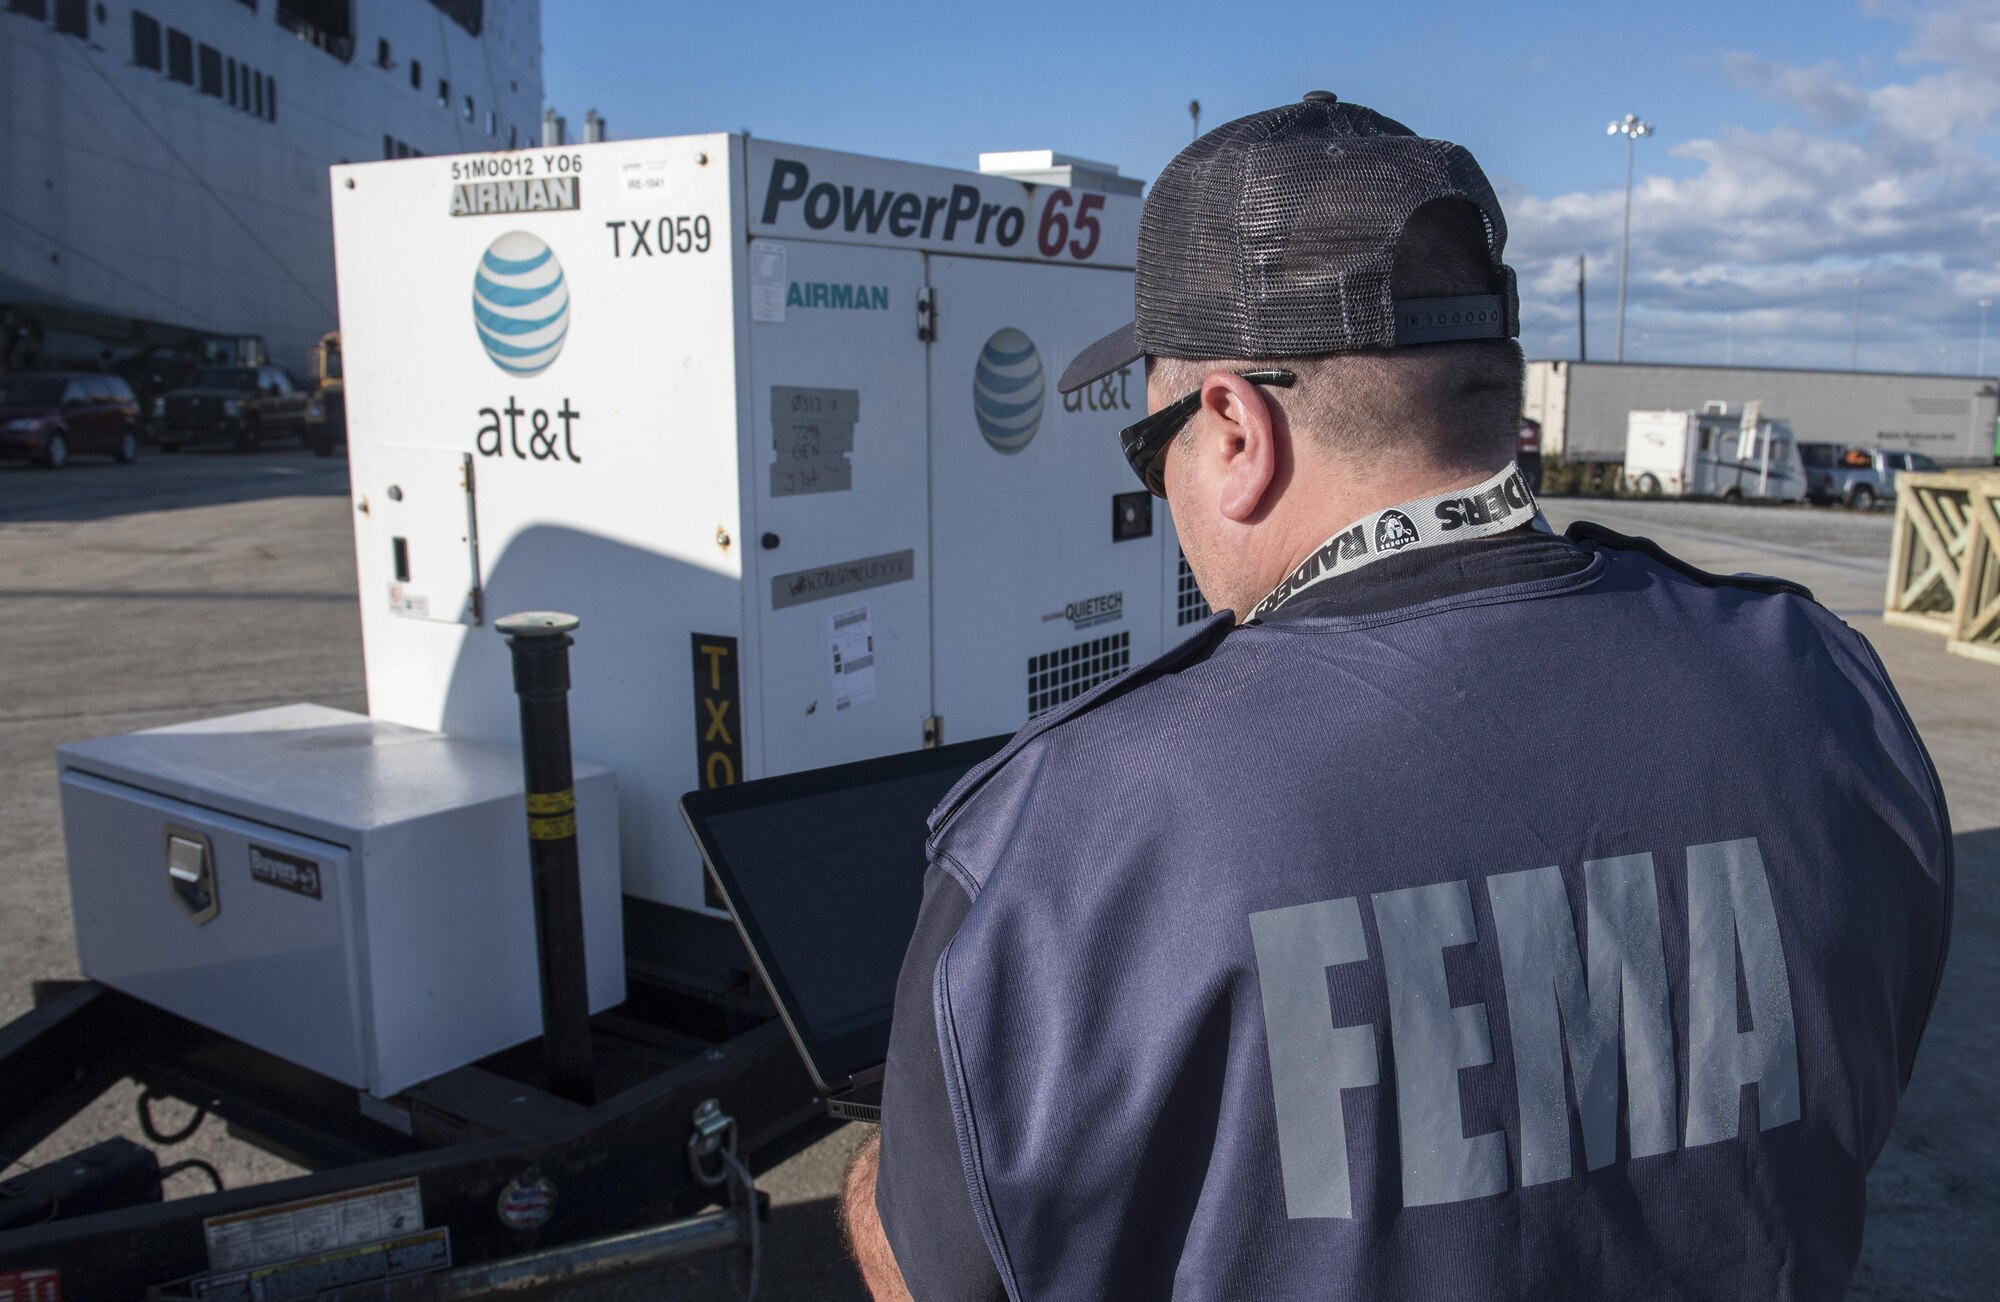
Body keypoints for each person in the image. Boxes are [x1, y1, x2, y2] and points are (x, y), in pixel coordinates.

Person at [840, 93, 1952, 1301]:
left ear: (1232, 428)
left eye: (1145, 444)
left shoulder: (1070, 836)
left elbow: (945, 1272)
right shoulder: (1822, 689)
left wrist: (877, 1178)